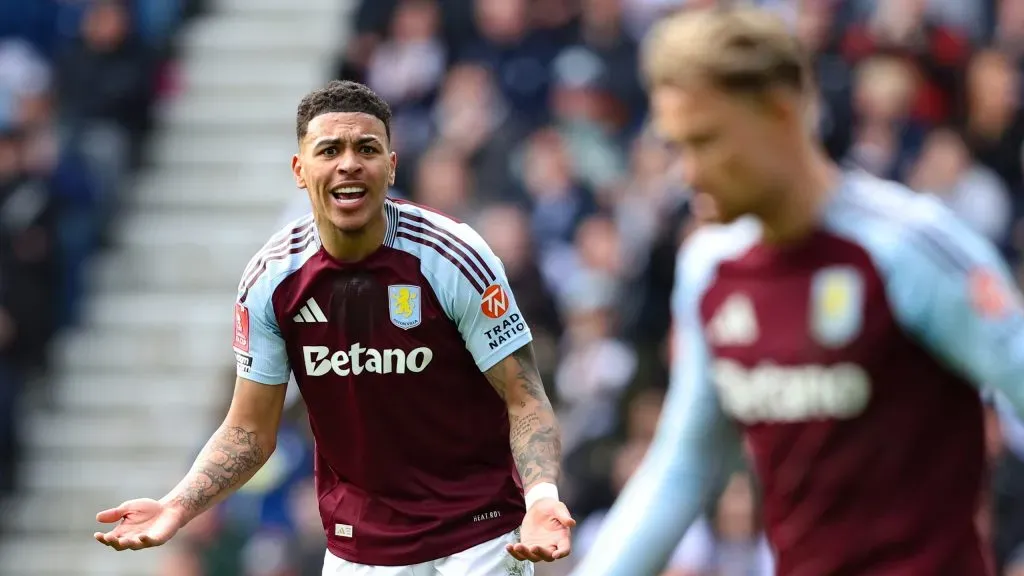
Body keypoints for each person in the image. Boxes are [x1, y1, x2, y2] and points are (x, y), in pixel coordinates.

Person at [572, 7, 1024, 576]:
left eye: (706, 141)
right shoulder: (709, 270)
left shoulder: (909, 249)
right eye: (676, 145)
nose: (686, 173)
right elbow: (682, 470)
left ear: (780, 112)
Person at [93, 80, 575, 576]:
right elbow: (249, 431)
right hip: (360, 545)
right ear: (300, 171)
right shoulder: (271, 281)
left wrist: (540, 497)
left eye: (367, 148)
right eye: (330, 150)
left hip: (480, 533)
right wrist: (177, 506)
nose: (349, 163)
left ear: (391, 166)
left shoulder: (452, 256)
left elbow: (525, 398)